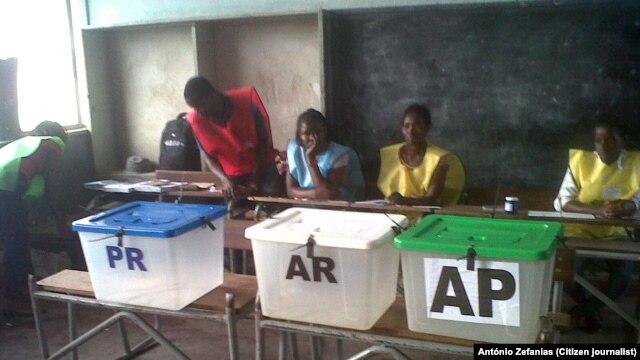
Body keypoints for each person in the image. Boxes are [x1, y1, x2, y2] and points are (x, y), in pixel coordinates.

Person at [553, 121, 639, 333]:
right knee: (567, 272)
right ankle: (590, 312)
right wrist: (596, 212)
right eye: (599, 140)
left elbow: (638, 199)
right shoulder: (581, 161)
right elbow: (562, 201)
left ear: (622, 141)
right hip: (580, 230)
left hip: (616, 231)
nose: (604, 146)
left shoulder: (636, 162)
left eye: (610, 140)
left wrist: (629, 206)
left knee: (624, 275)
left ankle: (581, 312)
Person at [0, 121, 71, 316]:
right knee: (15, 243)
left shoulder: (25, 143)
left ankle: (21, 290)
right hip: (6, 191)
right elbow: (52, 187)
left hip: (9, 190)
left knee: (18, 240)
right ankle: (11, 300)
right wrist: (60, 223)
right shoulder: (52, 144)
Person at [183, 76, 284, 199]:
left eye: (201, 105)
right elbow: (207, 156)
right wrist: (225, 180)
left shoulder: (246, 102)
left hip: (263, 165)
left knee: (272, 206)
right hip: (233, 174)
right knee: (236, 210)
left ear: (212, 95)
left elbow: (264, 141)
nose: (199, 111)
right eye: (195, 107)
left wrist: (255, 175)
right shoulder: (195, 120)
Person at [377, 103, 465, 206]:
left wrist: (404, 200)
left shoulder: (439, 159)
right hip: (395, 214)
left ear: (428, 128)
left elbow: (431, 200)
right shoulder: (389, 155)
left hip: (425, 217)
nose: (411, 131)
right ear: (402, 129)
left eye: (418, 125)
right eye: (407, 126)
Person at [286, 109, 365, 201]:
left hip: (338, 208)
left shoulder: (339, 155)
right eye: (306, 133)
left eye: (318, 132)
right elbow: (290, 191)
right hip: (306, 206)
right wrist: (315, 194)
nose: (313, 138)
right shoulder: (294, 150)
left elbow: (327, 195)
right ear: (299, 135)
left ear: (326, 131)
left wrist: (311, 160)